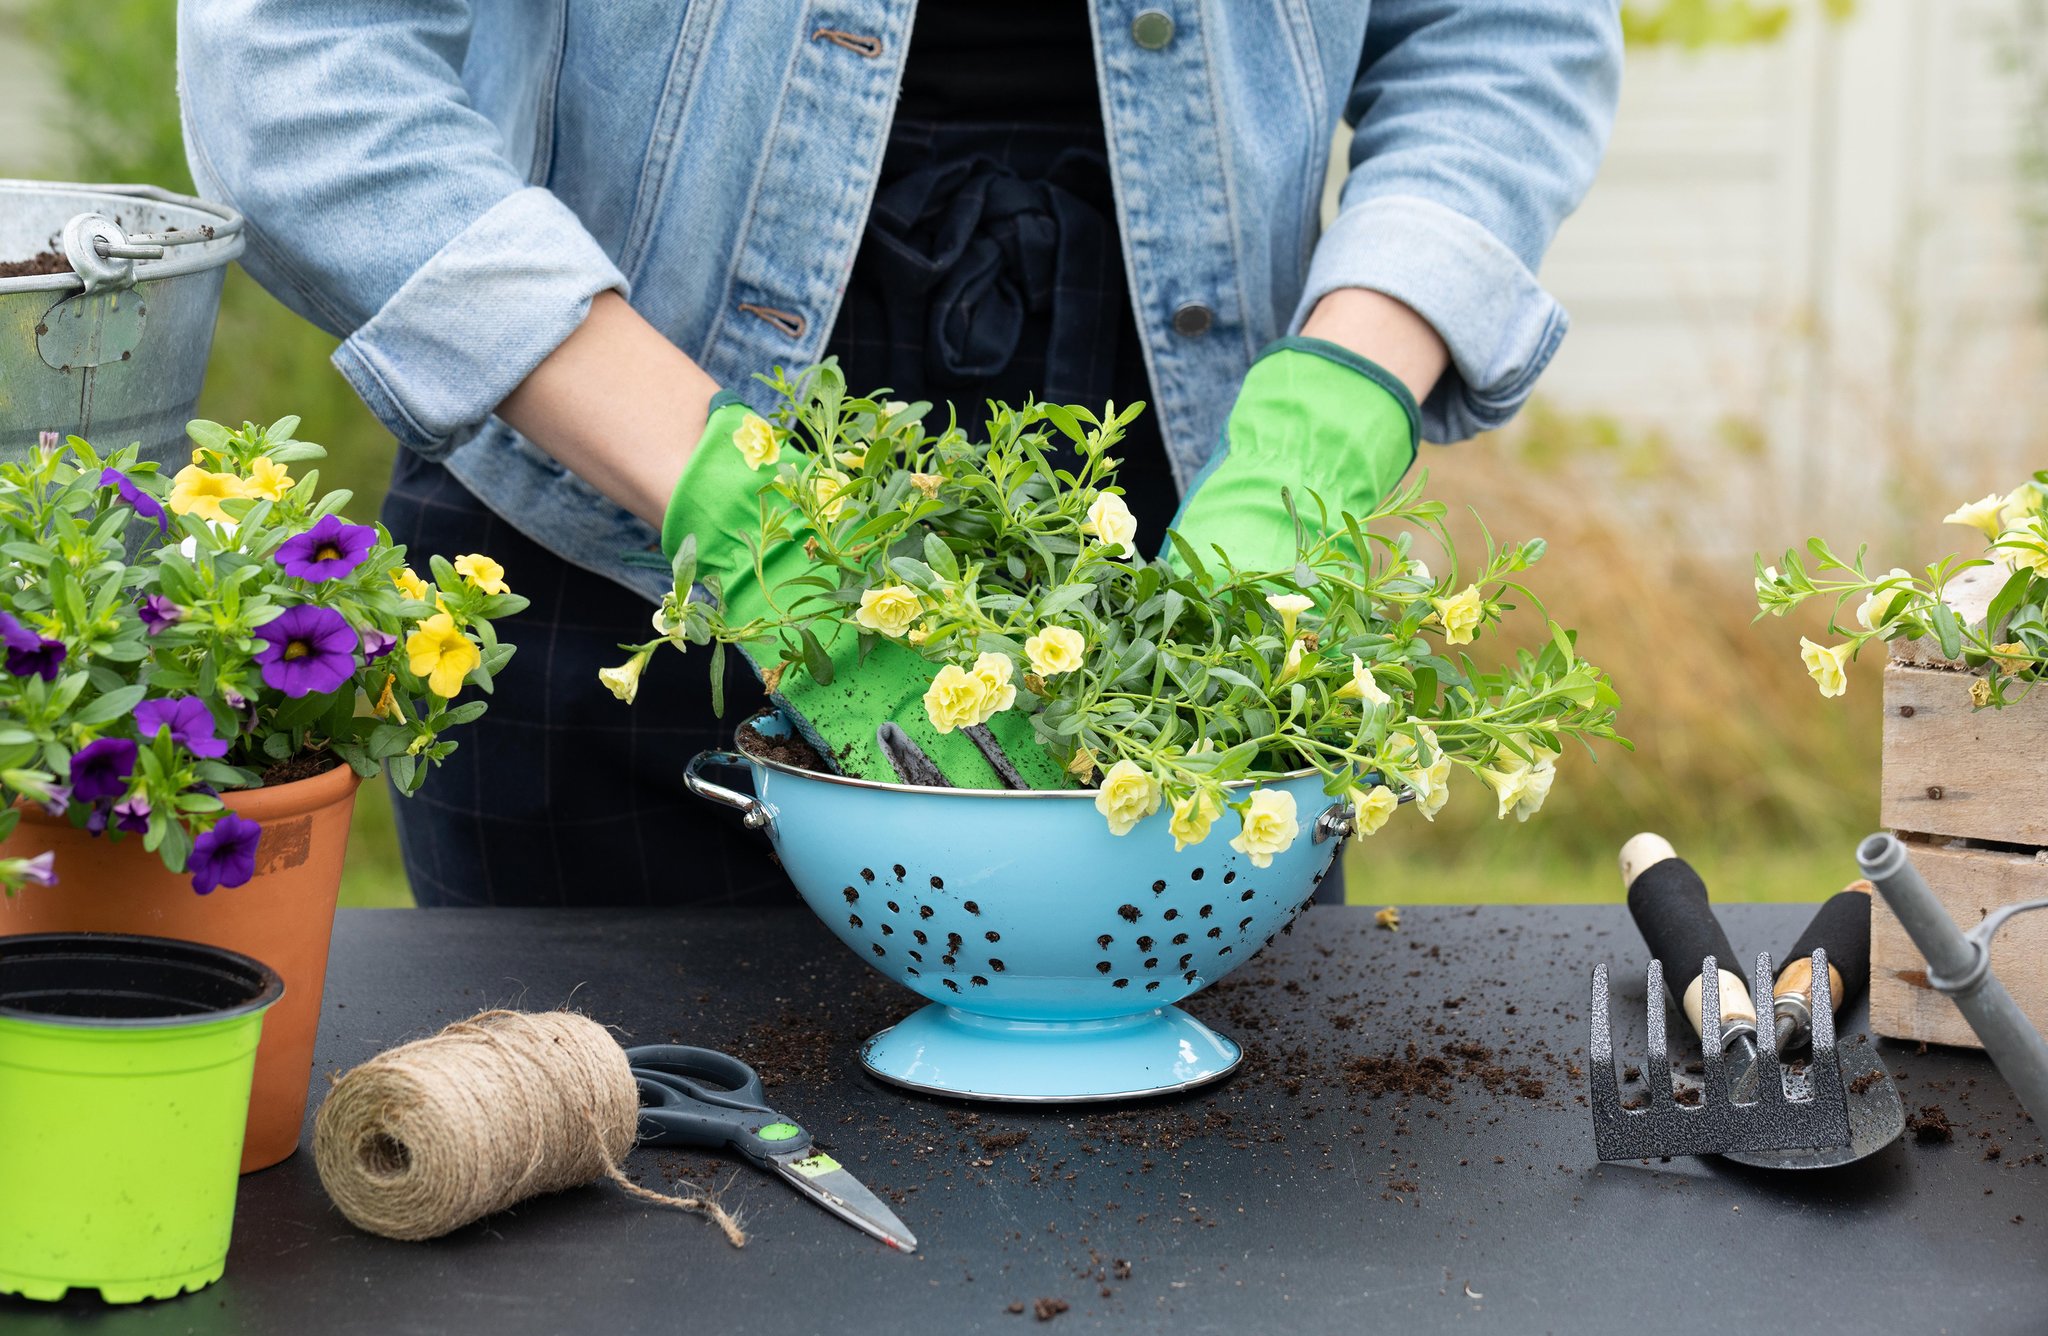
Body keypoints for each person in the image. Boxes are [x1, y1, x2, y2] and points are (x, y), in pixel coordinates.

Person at [177, 3, 1622, 909]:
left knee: (1199, 1241)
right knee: (607, 1265)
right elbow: (296, 65)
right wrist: (714, 492)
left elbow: (1506, 35)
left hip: (1181, 552)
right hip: (606, 521)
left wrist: (1329, 419)